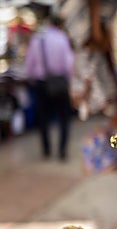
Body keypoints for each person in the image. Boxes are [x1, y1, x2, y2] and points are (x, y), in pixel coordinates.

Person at [24, 14, 74, 160]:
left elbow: (29, 64)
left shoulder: (37, 40)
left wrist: (33, 79)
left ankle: (46, 150)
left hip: (41, 83)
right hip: (59, 82)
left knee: (43, 118)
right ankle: (62, 150)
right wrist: (68, 82)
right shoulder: (62, 38)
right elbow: (68, 64)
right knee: (64, 119)